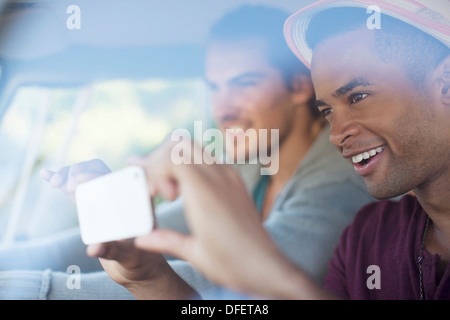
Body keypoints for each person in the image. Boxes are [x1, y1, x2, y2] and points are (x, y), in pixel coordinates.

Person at [0, 5, 373, 299]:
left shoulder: (345, 177)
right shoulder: (251, 168)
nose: (224, 108)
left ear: (298, 86)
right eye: (214, 87)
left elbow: (234, 288)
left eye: (244, 83)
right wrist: (114, 211)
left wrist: (23, 290)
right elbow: (160, 227)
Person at [86, 0, 450, 300]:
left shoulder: (341, 202)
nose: (336, 134)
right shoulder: (367, 237)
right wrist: (146, 279)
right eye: (327, 112)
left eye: (358, 96)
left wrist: (272, 276)